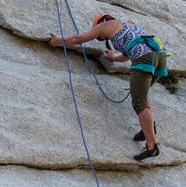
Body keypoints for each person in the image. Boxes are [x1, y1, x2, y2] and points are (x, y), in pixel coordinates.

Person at [48, 13, 167, 161]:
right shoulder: (128, 23)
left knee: (139, 101)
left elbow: (79, 39)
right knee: (141, 96)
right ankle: (147, 130)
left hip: (145, 57)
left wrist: (58, 41)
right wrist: (113, 58)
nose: (102, 38)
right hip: (159, 56)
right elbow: (128, 53)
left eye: (100, 37)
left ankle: (152, 145)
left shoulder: (104, 26)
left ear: (101, 22)